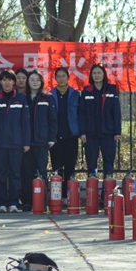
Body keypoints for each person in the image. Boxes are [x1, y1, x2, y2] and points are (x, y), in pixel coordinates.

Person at [0, 69, 31, 213]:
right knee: (0, 174)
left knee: (15, 174)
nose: (7, 83)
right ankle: (1, 203)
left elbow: (25, 122)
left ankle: (13, 203)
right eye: (4, 80)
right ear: (0, 82)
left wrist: (26, 142)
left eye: (9, 80)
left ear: (14, 82)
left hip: (16, 143)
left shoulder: (21, 98)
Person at [20, 70, 58, 211]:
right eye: (32, 80)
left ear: (41, 82)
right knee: (26, 172)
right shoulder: (22, 97)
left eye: (37, 80)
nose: (34, 82)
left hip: (42, 141)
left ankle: (42, 202)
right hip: (26, 142)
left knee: (41, 171)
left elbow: (53, 120)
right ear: (28, 82)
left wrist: (51, 138)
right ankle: (27, 202)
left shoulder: (47, 98)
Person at [79, 63, 122, 178]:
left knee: (108, 161)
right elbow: (82, 113)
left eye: (99, 72)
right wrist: (82, 132)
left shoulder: (111, 90)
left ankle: (108, 186)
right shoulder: (86, 91)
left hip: (108, 132)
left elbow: (116, 111)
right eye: (94, 73)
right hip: (91, 133)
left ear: (104, 74)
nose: (96, 75)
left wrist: (117, 131)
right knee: (91, 162)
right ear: (91, 75)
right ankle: (92, 186)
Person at [50, 67, 81, 199]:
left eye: (63, 76)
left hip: (71, 135)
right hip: (56, 137)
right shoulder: (50, 95)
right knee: (57, 168)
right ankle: (58, 197)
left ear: (68, 78)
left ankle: (69, 197)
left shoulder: (75, 94)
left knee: (70, 167)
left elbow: (80, 114)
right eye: (59, 76)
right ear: (55, 78)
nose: (61, 79)